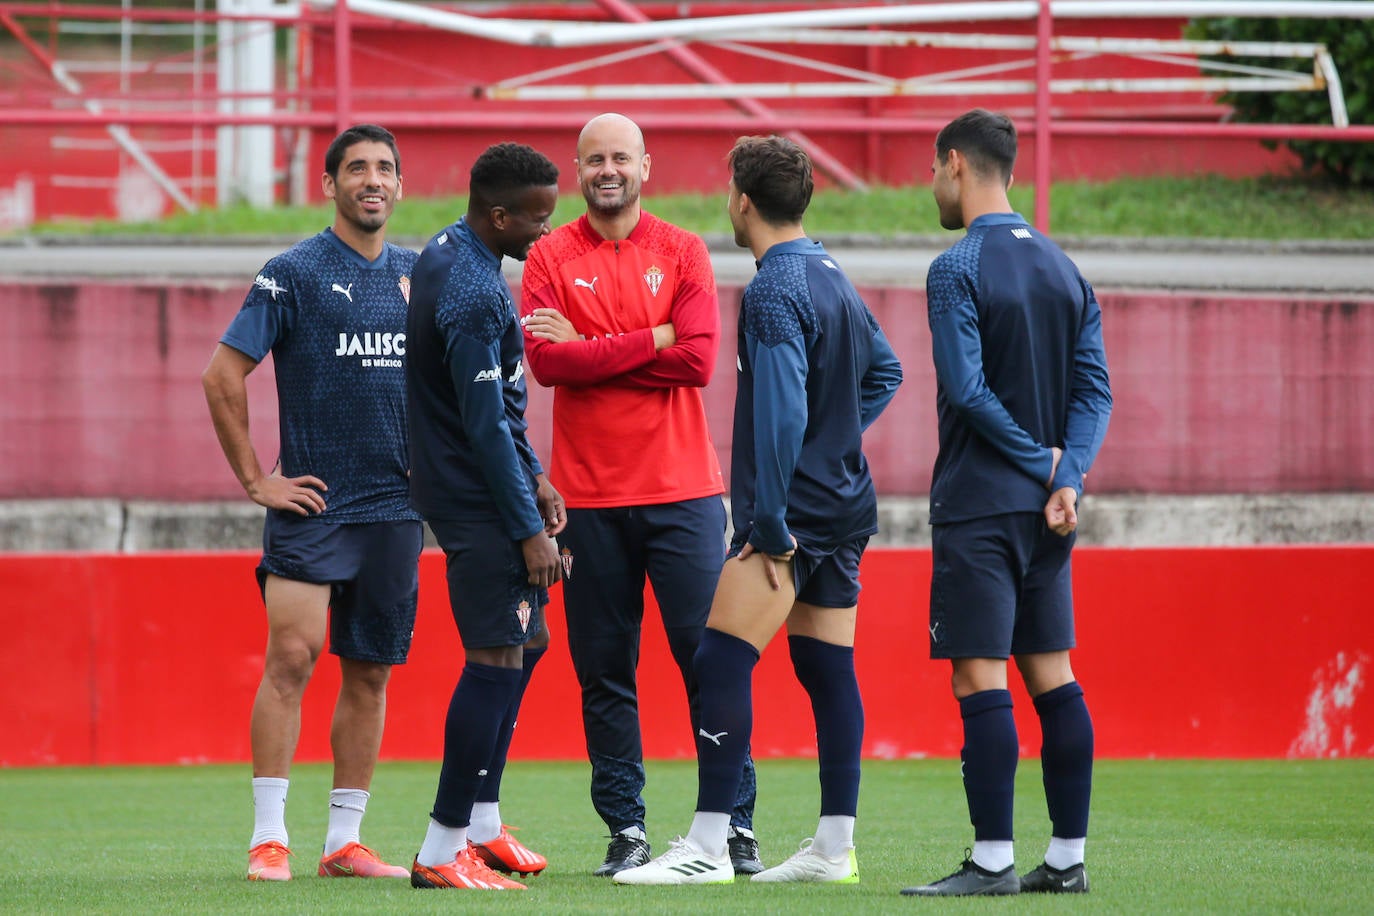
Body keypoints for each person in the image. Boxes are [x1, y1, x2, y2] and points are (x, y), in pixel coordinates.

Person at [613, 136, 903, 886]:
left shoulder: (774, 287)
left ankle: (708, 847)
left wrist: (770, 523)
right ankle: (833, 850)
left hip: (795, 518)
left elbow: (778, 419)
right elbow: (887, 372)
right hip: (845, 506)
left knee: (718, 659)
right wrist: (836, 441)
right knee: (825, 666)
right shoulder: (830, 272)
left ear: (742, 200)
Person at [519, 112, 762, 877]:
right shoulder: (547, 254)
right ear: (578, 170)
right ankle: (626, 829)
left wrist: (593, 347)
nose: (607, 170)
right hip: (587, 501)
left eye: (620, 157)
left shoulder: (683, 249)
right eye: (594, 159)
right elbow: (547, 365)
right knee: (603, 670)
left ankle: (734, 825)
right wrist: (646, 339)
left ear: (645, 166)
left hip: (684, 491)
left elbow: (694, 361)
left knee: (708, 662)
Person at [901, 108, 1112, 897]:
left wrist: (1039, 462)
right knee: (1053, 674)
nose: (932, 186)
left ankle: (992, 861)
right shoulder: (1064, 267)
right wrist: (1067, 477)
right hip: (1048, 515)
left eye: (932, 170)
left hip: (980, 506)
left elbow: (966, 388)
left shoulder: (956, 266)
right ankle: (1065, 859)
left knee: (979, 678)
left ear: (955, 163)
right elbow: (1095, 390)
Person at [201, 123, 419, 882]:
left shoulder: (421, 276)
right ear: (329, 184)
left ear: (398, 185)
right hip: (314, 507)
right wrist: (257, 479)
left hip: (396, 510)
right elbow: (221, 376)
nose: (372, 180)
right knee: (293, 656)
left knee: (371, 674)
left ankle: (343, 845)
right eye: (356, 168)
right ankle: (270, 839)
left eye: (385, 169)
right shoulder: (290, 272)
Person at [403, 141, 565, 892]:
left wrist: (535, 477)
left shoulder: (447, 251)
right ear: (498, 215)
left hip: (485, 488)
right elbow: (483, 424)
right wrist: (527, 528)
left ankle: (482, 824)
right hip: (476, 501)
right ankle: (441, 849)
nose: (543, 233)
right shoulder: (473, 289)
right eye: (535, 220)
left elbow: (500, 405)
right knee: (497, 655)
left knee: (526, 641)